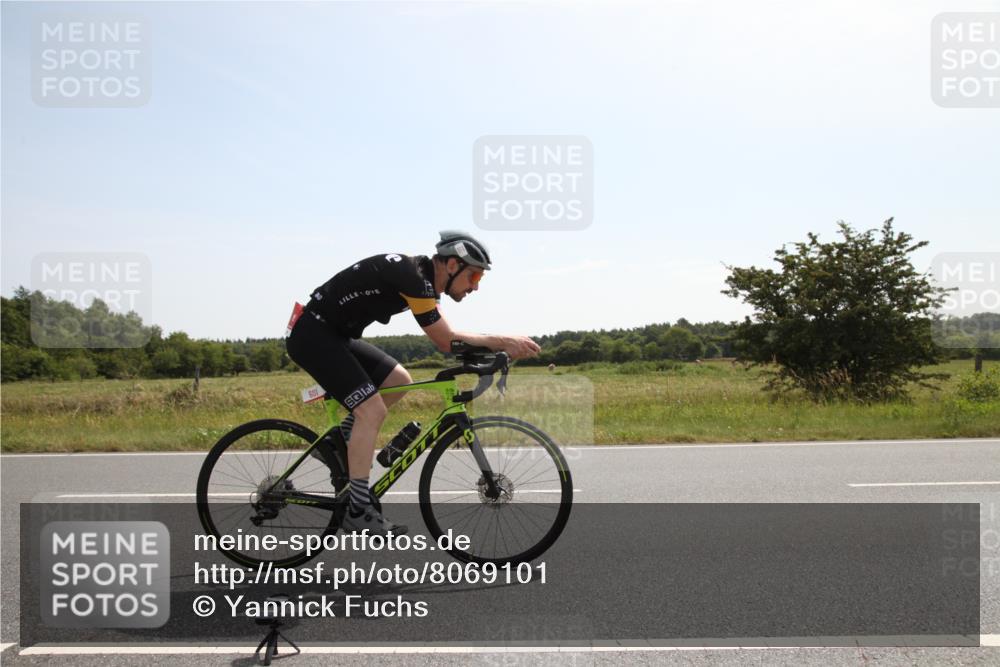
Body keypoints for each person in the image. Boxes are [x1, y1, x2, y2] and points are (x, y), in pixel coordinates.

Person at [285, 231, 540, 536]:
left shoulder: (423, 282)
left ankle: (336, 442)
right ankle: (358, 509)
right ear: (452, 265)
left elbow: (451, 339)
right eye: (474, 276)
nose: (475, 287)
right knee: (371, 411)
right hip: (313, 335)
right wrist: (503, 341)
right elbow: (445, 340)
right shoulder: (413, 279)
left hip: (334, 335)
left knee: (399, 380)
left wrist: (492, 353)